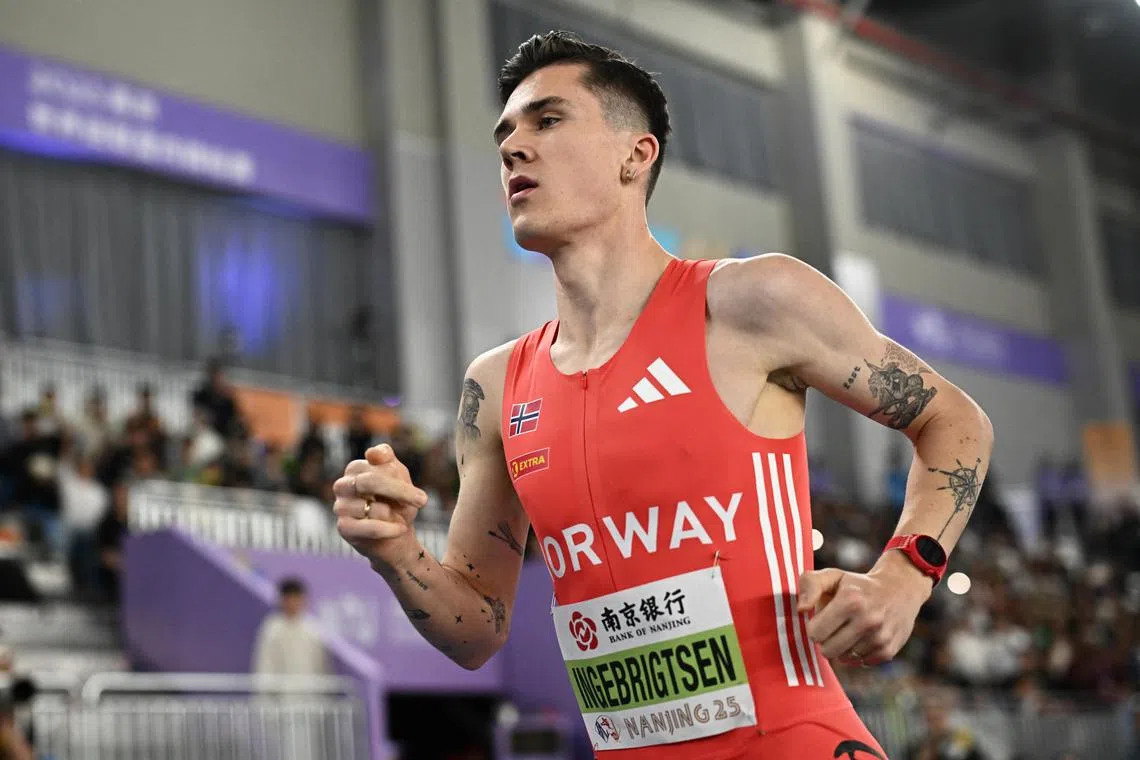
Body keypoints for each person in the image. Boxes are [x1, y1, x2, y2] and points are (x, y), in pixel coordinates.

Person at [333, 31, 994, 759]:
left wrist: (905, 576)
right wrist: (397, 553)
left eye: (547, 121)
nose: (514, 147)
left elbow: (956, 420)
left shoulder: (749, 302)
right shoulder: (495, 387)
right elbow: (477, 632)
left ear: (635, 154)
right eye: (506, 134)